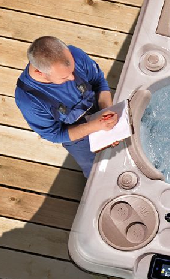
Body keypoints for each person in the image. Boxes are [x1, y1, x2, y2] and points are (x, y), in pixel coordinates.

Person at [13, 36, 117, 176]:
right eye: (64, 77)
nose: (72, 78)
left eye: (72, 71)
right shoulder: (28, 100)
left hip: (100, 111)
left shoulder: (75, 54)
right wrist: (95, 126)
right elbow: (54, 134)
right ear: (40, 73)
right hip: (79, 141)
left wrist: (107, 113)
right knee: (98, 173)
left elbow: (98, 82)